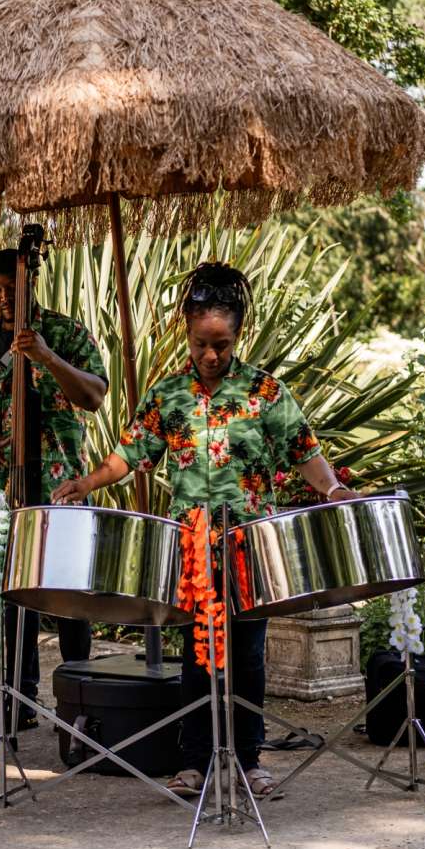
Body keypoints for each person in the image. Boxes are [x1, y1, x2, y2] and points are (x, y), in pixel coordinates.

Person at [52, 260, 358, 797]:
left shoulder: (265, 392)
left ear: (239, 335)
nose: (211, 355)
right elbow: (130, 454)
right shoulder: (169, 396)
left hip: (250, 546)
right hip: (192, 549)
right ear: (186, 334)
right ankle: (195, 760)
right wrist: (89, 482)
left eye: (221, 344)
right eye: (200, 344)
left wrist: (333, 490)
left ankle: (248, 759)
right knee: (197, 656)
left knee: (248, 657)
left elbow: (305, 452)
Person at [0, 247, 108, 735]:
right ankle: (16, 699)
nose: (3, 297)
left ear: (31, 281)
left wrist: (44, 354)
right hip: (4, 494)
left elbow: (94, 397)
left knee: (70, 601)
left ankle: (78, 701)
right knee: (11, 599)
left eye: (12, 288)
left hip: (60, 487)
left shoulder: (65, 334)